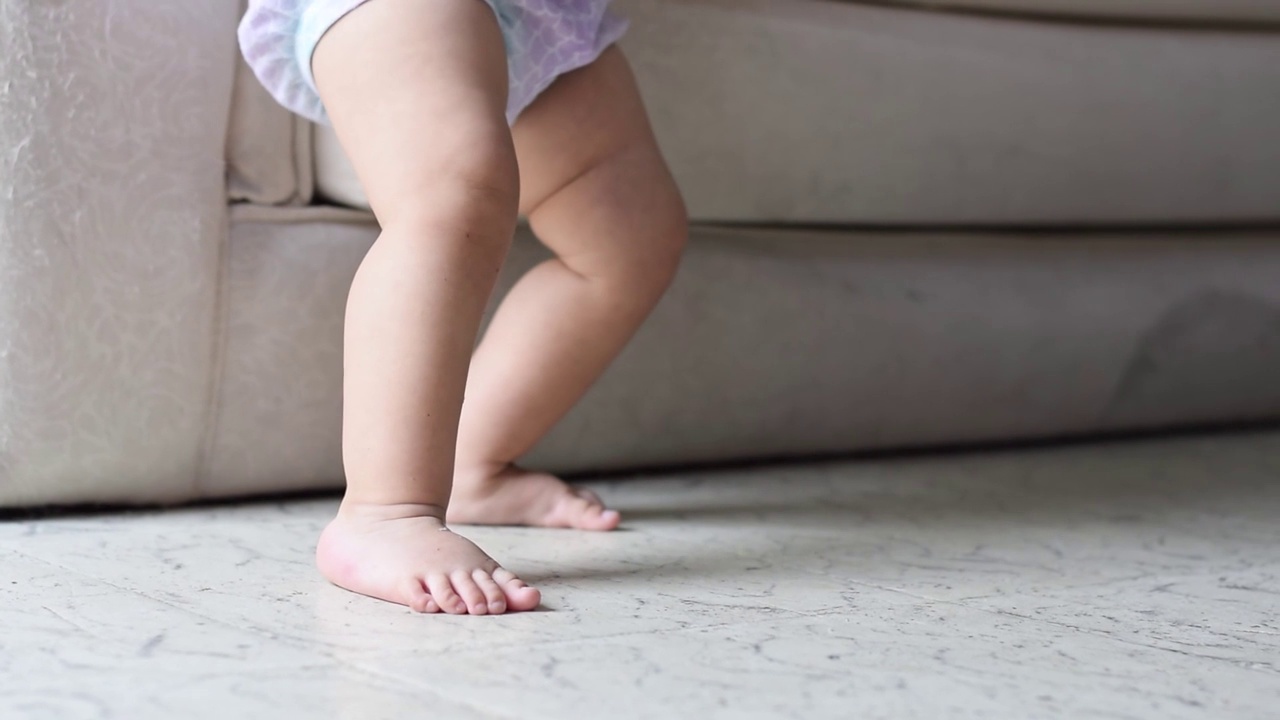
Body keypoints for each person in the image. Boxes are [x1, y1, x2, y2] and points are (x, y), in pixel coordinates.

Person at [239, 0, 687, 614]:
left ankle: (476, 461)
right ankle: (383, 511)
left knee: (632, 239)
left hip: (546, 21)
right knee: (450, 199)